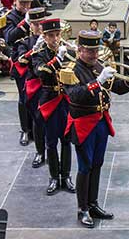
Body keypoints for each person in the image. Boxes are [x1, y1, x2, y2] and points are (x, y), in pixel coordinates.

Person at [63, 30, 129, 228]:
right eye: (90, 51)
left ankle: (93, 203)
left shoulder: (98, 65)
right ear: (79, 50)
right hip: (83, 124)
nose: (95, 54)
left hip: (100, 121)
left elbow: (119, 88)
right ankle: (82, 209)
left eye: (96, 50)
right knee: (84, 166)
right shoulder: (71, 70)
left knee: (97, 164)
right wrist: (97, 82)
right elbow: (75, 96)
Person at [32, 18, 76, 196]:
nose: (56, 39)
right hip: (50, 100)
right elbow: (41, 72)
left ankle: (65, 176)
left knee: (66, 141)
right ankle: (53, 177)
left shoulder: (67, 50)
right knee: (51, 142)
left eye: (57, 34)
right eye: (51, 36)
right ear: (44, 36)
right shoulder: (39, 53)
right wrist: (58, 59)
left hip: (65, 101)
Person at [11, 7, 47, 168]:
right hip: (36, 87)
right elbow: (21, 60)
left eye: (41, 24)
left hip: (54, 88)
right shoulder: (25, 43)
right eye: (35, 24)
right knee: (37, 121)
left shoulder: (53, 42)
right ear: (30, 26)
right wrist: (35, 49)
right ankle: (40, 152)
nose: (39, 27)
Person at [3, 0, 34, 146]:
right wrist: (25, 23)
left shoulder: (34, 13)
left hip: (35, 61)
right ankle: (25, 130)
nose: (26, 7)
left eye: (28, 3)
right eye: (23, 3)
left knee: (35, 97)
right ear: (16, 1)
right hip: (20, 62)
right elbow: (9, 37)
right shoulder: (10, 17)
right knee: (24, 98)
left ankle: (35, 128)